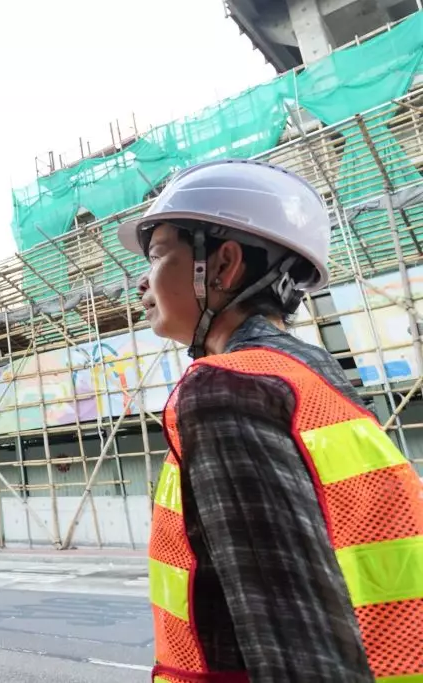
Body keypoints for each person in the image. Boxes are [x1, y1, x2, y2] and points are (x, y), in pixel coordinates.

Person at [117, 159, 423, 682]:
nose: (142, 282)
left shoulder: (228, 388)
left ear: (223, 264)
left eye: (160, 254)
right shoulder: (314, 374)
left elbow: (297, 642)